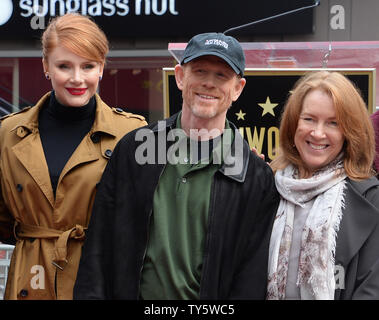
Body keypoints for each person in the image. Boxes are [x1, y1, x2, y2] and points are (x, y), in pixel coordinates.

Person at [73, 32, 280, 299]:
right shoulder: (134, 150)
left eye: (221, 75)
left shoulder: (256, 178)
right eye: (200, 71)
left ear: (238, 88)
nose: (209, 83)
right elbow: (99, 250)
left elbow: (250, 280)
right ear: (180, 76)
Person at [0, 13, 147, 300]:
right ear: (46, 66)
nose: (77, 78)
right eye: (64, 66)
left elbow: (148, 218)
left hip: (99, 279)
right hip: (30, 279)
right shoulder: (8, 132)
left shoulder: (132, 132)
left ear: (102, 67)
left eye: (88, 66)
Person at [267, 71, 379, 300]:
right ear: (293, 123)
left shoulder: (371, 198)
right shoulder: (266, 187)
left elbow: (371, 289)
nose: (318, 133)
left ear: (350, 132)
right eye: (309, 119)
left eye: (333, 123)